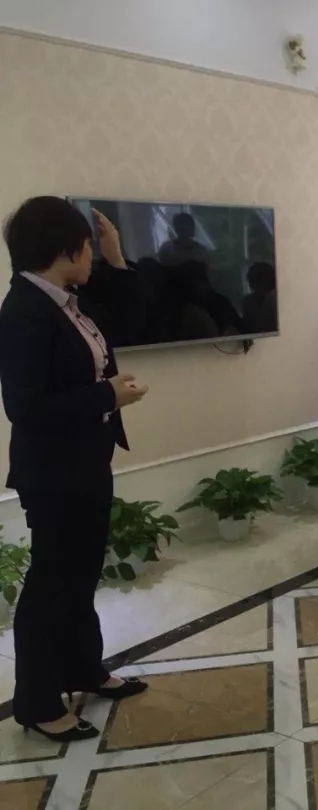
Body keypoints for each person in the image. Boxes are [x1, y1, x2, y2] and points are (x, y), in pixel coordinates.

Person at [0, 197, 151, 742]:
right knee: (52, 585)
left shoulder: (64, 302)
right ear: (65, 250)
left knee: (80, 577)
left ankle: (85, 669)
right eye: (89, 247)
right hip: (54, 473)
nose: (92, 256)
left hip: (86, 461)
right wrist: (105, 395)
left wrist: (117, 259)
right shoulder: (23, 311)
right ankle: (37, 702)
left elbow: (129, 319)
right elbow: (25, 407)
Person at [241, 261, 277, 334]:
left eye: (254, 280)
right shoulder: (249, 302)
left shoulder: (278, 300)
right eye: (250, 281)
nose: (251, 285)